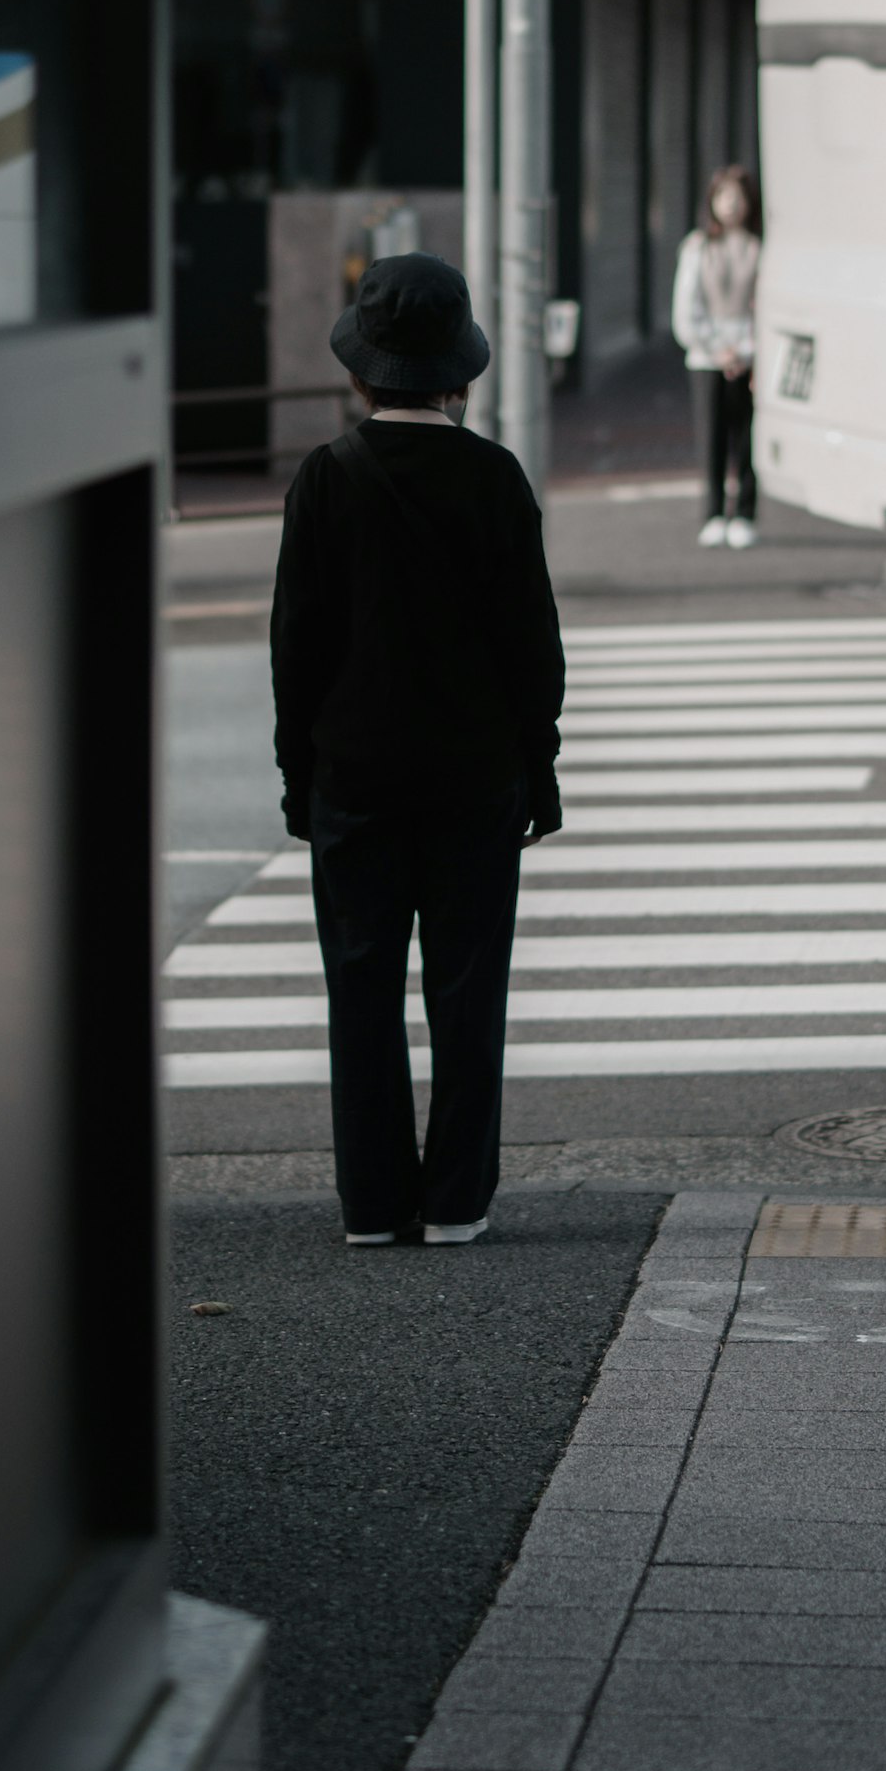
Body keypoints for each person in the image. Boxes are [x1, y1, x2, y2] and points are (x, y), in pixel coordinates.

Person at [270, 252, 564, 1248]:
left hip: (354, 775)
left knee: (360, 990)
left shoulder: (325, 479)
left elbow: (294, 647)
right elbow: (534, 647)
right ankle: (456, 1202)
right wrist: (542, 766)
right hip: (476, 778)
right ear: (460, 370)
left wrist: (296, 775)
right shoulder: (493, 478)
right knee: (468, 994)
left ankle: (371, 1204)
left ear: (362, 371)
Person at [672, 164, 763, 548]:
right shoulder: (697, 246)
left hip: (749, 355)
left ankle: (744, 512)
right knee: (711, 437)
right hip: (707, 357)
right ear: (712, 201)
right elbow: (686, 306)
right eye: (724, 196)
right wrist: (715, 347)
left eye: (738, 197)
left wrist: (747, 350)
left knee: (748, 436)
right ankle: (712, 513)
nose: (731, 205)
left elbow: (767, 307)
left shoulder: (759, 246)